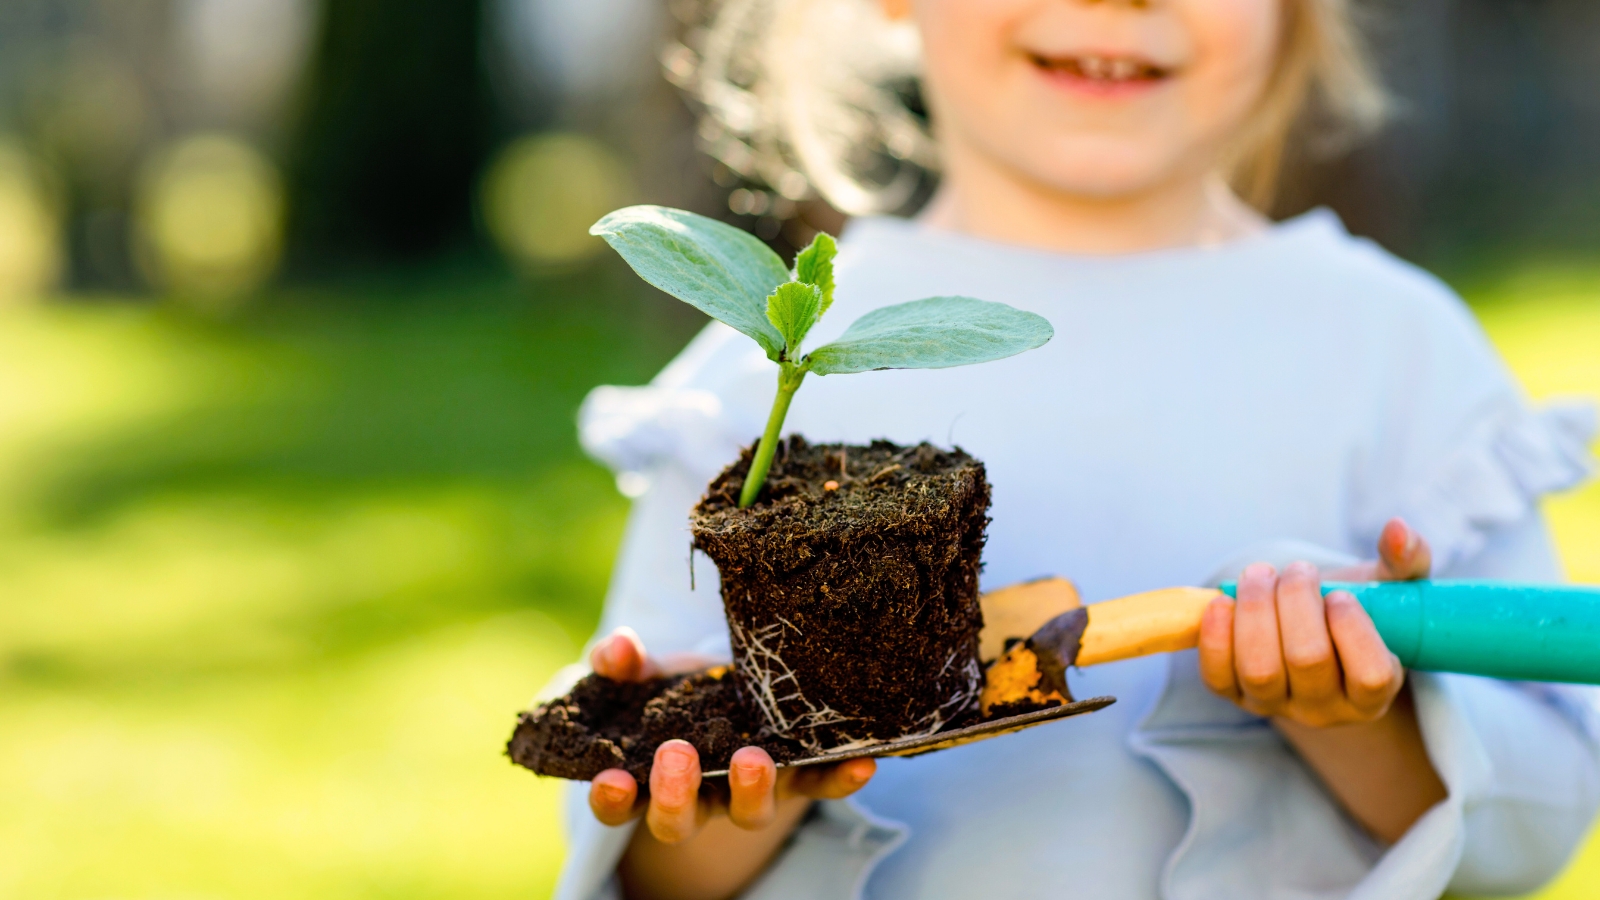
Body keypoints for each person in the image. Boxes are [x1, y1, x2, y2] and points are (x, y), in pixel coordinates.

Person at [553, 1, 1600, 898]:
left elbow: (1532, 833)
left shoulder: (1395, 348)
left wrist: (1354, 717)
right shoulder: (771, 364)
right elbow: (646, 857)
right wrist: (744, 791)